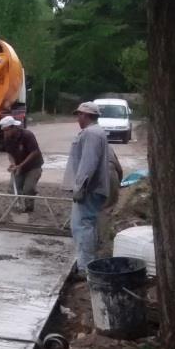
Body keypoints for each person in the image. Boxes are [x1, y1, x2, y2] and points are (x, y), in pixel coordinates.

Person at [63, 101, 112, 276]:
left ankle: (85, 268)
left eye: (79, 115)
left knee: (82, 227)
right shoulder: (96, 132)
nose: (77, 118)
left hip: (89, 189)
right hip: (93, 188)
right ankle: (87, 263)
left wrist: (80, 187)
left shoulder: (91, 134)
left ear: (86, 115)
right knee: (86, 225)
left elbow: (88, 163)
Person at [0, 115, 44, 212]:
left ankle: (29, 208)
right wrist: (13, 164)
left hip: (33, 166)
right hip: (19, 166)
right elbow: (9, 153)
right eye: (3, 130)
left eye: (6, 130)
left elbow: (34, 152)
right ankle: (18, 206)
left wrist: (21, 165)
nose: (5, 133)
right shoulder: (7, 138)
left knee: (28, 189)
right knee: (12, 188)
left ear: (13, 127)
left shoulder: (27, 135)